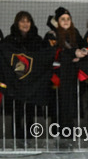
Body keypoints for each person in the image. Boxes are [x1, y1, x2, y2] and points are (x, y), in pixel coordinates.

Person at [0, 12, 53, 146]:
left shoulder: (38, 40)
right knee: (16, 113)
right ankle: (16, 141)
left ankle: (29, 140)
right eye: (22, 21)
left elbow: (44, 57)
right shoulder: (9, 40)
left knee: (30, 112)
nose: (25, 24)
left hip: (32, 86)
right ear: (17, 23)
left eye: (28, 21)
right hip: (15, 85)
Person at [44, 7, 88, 134]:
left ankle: (69, 138)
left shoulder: (74, 33)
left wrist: (83, 53)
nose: (66, 21)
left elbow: (83, 48)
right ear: (57, 21)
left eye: (68, 19)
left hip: (71, 79)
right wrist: (72, 54)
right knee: (57, 110)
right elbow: (51, 53)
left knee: (70, 111)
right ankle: (56, 138)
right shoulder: (51, 34)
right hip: (56, 80)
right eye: (62, 19)